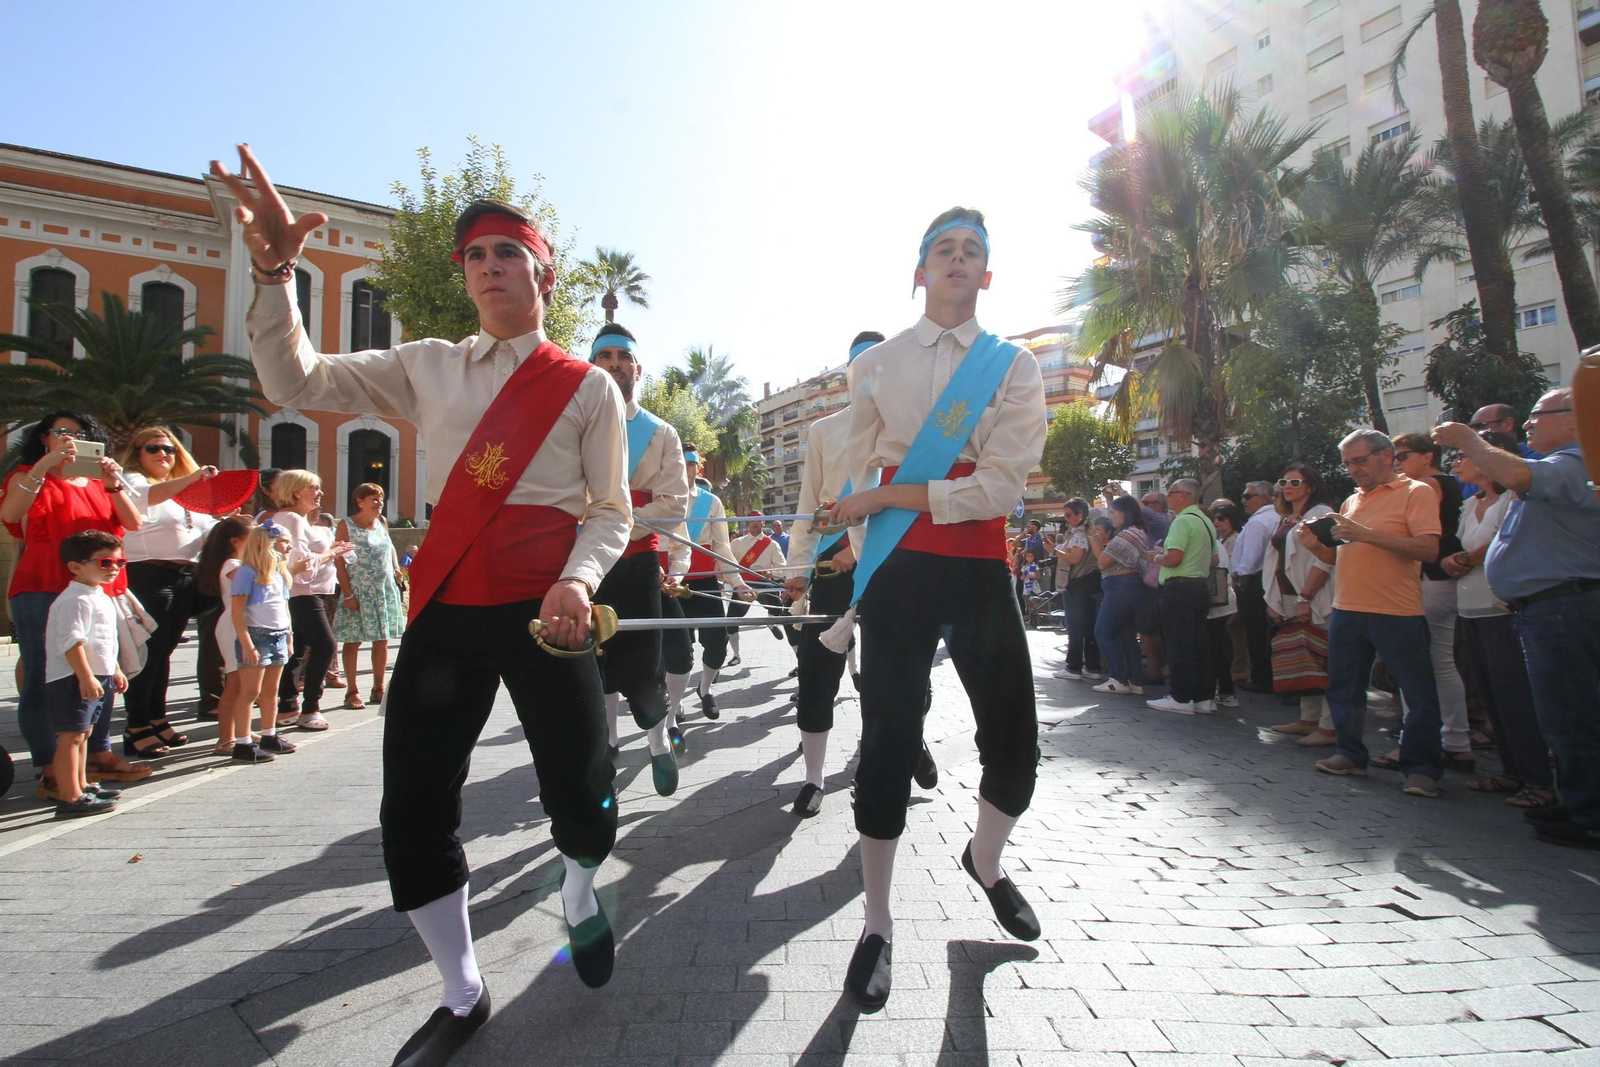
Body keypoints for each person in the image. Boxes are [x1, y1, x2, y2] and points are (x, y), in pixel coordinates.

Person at [218, 142, 631, 1066]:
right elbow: (295, 383)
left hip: (546, 608)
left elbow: (609, 510)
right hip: (448, 606)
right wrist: (279, 271)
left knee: (583, 786)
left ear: (542, 272)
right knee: (412, 798)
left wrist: (579, 577)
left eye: (506, 253)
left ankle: (575, 884)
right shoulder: (427, 365)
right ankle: (462, 988)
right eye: (474, 256)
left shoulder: (587, 386)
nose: (488, 267)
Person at [830, 206, 1047, 1008]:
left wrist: (892, 491)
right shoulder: (877, 365)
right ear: (919, 270)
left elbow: (999, 486)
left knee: (1017, 742)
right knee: (887, 738)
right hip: (899, 570)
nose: (958, 261)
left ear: (987, 275)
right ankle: (877, 922)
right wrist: (864, 532)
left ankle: (985, 861)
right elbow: (856, 474)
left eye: (973, 252)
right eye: (944, 250)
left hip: (980, 566)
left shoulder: (1014, 366)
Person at [1435, 388, 1600, 848]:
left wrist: (1469, 439)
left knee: (1570, 713)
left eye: (1537, 416)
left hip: (1562, 606)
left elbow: (1518, 472)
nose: (1527, 425)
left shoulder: (1576, 462)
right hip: (1547, 608)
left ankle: (1588, 811)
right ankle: (1577, 801)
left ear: (1574, 419)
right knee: (1562, 713)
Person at [1, 410, 151, 797]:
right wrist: (45, 467)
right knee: (42, 677)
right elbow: (10, 513)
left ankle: (97, 755)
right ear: (43, 438)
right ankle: (50, 768)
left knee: (101, 673)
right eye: (60, 432)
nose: (69, 438)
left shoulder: (101, 482)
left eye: (78, 433)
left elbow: (132, 524)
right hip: (42, 586)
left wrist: (115, 483)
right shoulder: (29, 475)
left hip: (99, 589)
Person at [1305, 429, 1446, 798]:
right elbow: (1342, 557)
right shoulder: (1352, 501)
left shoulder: (1417, 492)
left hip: (1396, 610)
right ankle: (1350, 753)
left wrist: (1364, 534)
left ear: (1387, 456)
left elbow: (1428, 550)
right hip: (1347, 609)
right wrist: (1317, 546)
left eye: (1360, 460)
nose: (1353, 469)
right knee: (1344, 688)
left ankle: (1422, 769)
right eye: (1348, 463)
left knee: (1417, 693)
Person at [588, 323, 689, 795]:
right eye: (603, 356)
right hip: (586, 561)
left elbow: (675, 504)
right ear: (593, 365)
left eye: (621, 357)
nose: (613, 365)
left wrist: (613, 518)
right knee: (595, 658)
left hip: (637, 560)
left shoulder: (662, 432)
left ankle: (656, 743)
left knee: (644, 658)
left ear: (636, 368)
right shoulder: (575, 424)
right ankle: (608, 744)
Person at [1443, 432, 1554, 808]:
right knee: (1491, 695)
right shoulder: (1469, 503)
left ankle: (1539, 779)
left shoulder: (1515, 499)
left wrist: (1463, 561)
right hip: (1470, 607)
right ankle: (1512, 771)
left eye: (1462, 455)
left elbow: (1503, 542)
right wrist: (1458, 561)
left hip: (1502, 608)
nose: (1456, 463)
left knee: (1515, 697)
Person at [118, 426, 221, 757]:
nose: (164, 454)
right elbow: (147, 498)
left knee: (163, 653)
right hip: (148, 573)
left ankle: (156, 717)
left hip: (183, 576)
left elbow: (205, 532)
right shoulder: (133, 480)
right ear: (138, 453)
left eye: (170, 450)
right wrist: (192, 479)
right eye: (154, 448)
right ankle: (136, 725)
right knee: (148, 652)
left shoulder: (185, 491)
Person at [1389, 433, 1475, 772]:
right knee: (1439, 661)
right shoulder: (1443, 484)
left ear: (1428, 456)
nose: (1398, 463)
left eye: (1404, 455)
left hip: (1430, 578)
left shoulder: (1427, 485)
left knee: (1422, 663)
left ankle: (1424, 742)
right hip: (1442, 579)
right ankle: (1454, 740)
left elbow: (1418, 537)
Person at [43, 530, 130, 817]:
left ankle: (82, 785)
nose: (114, 568)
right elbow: (72, 642)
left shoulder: (98, 595)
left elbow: (104, 639)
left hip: (95, 674)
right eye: (105, 563)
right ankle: (69, 796)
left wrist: (114, 669)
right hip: (74, 677)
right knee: (72, 735)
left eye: (120, 562)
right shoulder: (75, 599)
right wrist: (85, 676)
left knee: (85, 732)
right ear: (76, 567)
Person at [266, 469, 353, 732]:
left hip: (302, 592)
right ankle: (310, 708)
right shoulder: (291, 518)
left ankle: (288, 706)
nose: (320, 494)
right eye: (315, 488)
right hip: (300, 592)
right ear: (296, 492)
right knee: (325, 645)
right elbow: (301, 565)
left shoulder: (293, 518)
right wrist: (332, 552)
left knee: (298, 649)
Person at [1260, 465, 1336, 745]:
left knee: (1324, 661)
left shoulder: (1320, 514)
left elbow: (1326, 558)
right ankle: (1308, 719)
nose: (1287, 486)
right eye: (1283, 481)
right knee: (1303, 657)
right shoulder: (1287, 517)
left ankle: (1329, 726)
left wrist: (1306, 596)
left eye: (1295, 481)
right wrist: (1275, 598)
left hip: (1314, 594)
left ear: (1311, 486)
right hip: (1288, 593)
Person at [677, 445, 754, 719]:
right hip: (671, 583)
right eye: (680, 461)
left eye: (690, 463)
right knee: (677, 649)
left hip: (704, 581)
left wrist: (739, 583)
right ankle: (675, 702)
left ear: (698, 467)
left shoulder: (711, 502)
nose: (685, 467)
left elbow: (722, 548)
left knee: (717, 643)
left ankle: (705, 689)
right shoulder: (661, 498)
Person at [1144, 479, 1219, 715]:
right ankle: (1203, 697)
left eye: (1172, 492)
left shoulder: (1182, 521)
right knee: (1199, 643)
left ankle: (1180, 696)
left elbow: (1174, 558)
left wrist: (1155, 557)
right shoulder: (1205, 521)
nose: (1168, 497)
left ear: (1185, 495)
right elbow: (1214, 559)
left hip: (1178, 587)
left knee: (1178, 643)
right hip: (1199, 585)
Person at [226, 521, 297, 763]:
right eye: (284, 541)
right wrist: (246, 643)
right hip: (257, 635)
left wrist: (289, 636)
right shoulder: (247, 572)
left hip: (278, 634)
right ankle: (243, 742)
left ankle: (269, 734)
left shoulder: (279, 572)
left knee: (271, 691)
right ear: (267, 544)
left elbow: (284, 608)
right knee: (250, 691)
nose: (289, 546)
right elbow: (237, 611)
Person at [332, 483, 407, 709]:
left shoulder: (382, 522)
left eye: (381, 499)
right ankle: (352, 691)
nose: (379, 503)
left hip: (382, 589)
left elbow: (390, 546)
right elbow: (339, 561)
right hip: (359, 590)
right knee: (354, 640)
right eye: (374, 499)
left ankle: (378, 687)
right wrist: (347, 594)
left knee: (381, 639)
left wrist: (396, 568)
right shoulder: (346, 525)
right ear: (360, 501)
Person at [196, 515, 260, 755]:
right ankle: (225, 738)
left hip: (244, 623)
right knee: (234, 682)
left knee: (246, 683)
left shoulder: (239, 564)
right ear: (235, 542)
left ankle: (239, 729)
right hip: (234, 626)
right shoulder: (233, 565)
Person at [1090, 498, 1151, 696]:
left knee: (1103, 631)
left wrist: (1095, 542)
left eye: (1114, 512)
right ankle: (1134, 680)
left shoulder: (1128, 534)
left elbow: (1103, 562)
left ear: (1124, 513)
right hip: (1129, 587)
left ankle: (1118, 678)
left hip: (1121, 587)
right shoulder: (1137, 532)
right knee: (1126, 636)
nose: (1111, 517)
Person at [1230, 481, 1278, 693]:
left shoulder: (1259, 522)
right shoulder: (1275, 518)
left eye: (1249, 496)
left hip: (1255, 582)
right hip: (1268, 580)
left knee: (1256, 632)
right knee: (1267, 633)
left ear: (1264, 498)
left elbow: (1250, 558)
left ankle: (1261, 678)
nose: (1243, 501)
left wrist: (1241, 582)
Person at [726, 513, 789, 663]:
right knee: (731, 621)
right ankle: (736, 655)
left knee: (778, 610)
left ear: (763, 523)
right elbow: (727, 564)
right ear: (747, 523)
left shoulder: (771, 544)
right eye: (752, 521)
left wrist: (769, 572)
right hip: (743, 585)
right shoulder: (736, 543)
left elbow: (782, 568)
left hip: (764, 583)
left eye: (758, 521)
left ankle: (771, 623)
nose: (755, 523)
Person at [1052, 498, 1102, 681]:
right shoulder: (1087, 531)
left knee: (1075, 627)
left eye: (1069, 515)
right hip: (1087, 582)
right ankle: (1092, 666)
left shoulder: (1079, 534)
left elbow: (1075, 558)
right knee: (1088, 626)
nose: (1066, 519)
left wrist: (1054, 551)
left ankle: (1074, 667)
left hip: (1077, 583)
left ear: (1080, 514)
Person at [1205, 500, 1242, 709]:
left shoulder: (1211, 543)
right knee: (1220, 646)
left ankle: (1211, 693)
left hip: (1214, 603)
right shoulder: (1217, 541)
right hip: (1223, 601)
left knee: (1213, 648)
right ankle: (1225, 691)